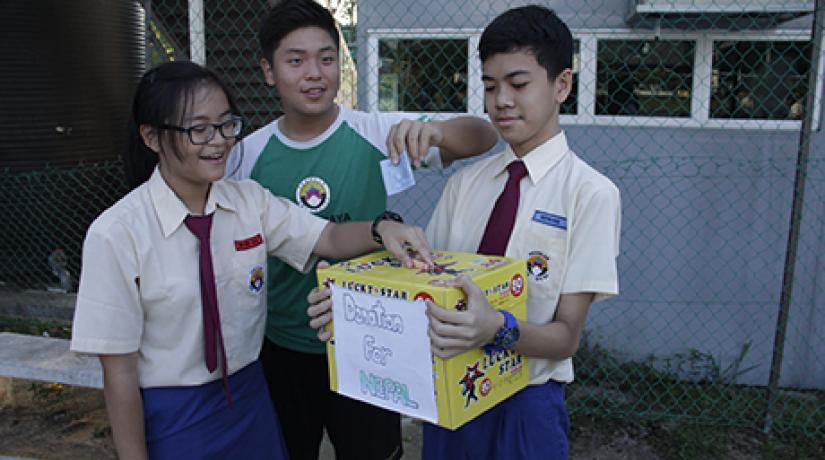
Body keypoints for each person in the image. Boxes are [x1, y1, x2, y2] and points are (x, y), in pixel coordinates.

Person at [69, 61, 433, 460]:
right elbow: (118, 373)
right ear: (151, 137)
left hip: (248, 401)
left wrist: (382, 228)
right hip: (173, 414)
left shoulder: (248, 202)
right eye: (199, 129)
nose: (219, 141)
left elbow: (326, 236)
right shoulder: (117, 233)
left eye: (227, 124)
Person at [308, 6, 621, 459]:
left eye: (518, 84)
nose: (502, 101)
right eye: (490, 86)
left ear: (562, 85)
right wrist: (350, 306)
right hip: (453, 388)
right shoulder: (466, 183)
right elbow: (423, 282)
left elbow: (566, 336)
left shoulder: (590, 194)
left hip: (526, 405)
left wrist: (495, 329)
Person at [225, 1, 498, 459]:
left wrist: (437, 133)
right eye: (296, 60)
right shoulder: (245, 156)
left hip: (372, 343)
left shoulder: (378, 131)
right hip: (281, 346)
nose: (315, 73)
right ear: (268, 71)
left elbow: (484, 135)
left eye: (326, 58)